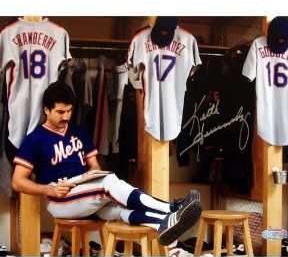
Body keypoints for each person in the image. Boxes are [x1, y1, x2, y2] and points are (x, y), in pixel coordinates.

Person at [12, 81, 202, 246]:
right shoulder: (34, 139)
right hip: (59, 198)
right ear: (46, 109)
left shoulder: (78, 131)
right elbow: (17, 181)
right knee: (109, 183)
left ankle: (162, 222)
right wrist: (49, 190)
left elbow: (94, 165)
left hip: (84, 190)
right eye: (60, 112)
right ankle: (171, 208)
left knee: (120, 209)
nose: (66, 117)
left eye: (69, 111)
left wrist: (92, 174)